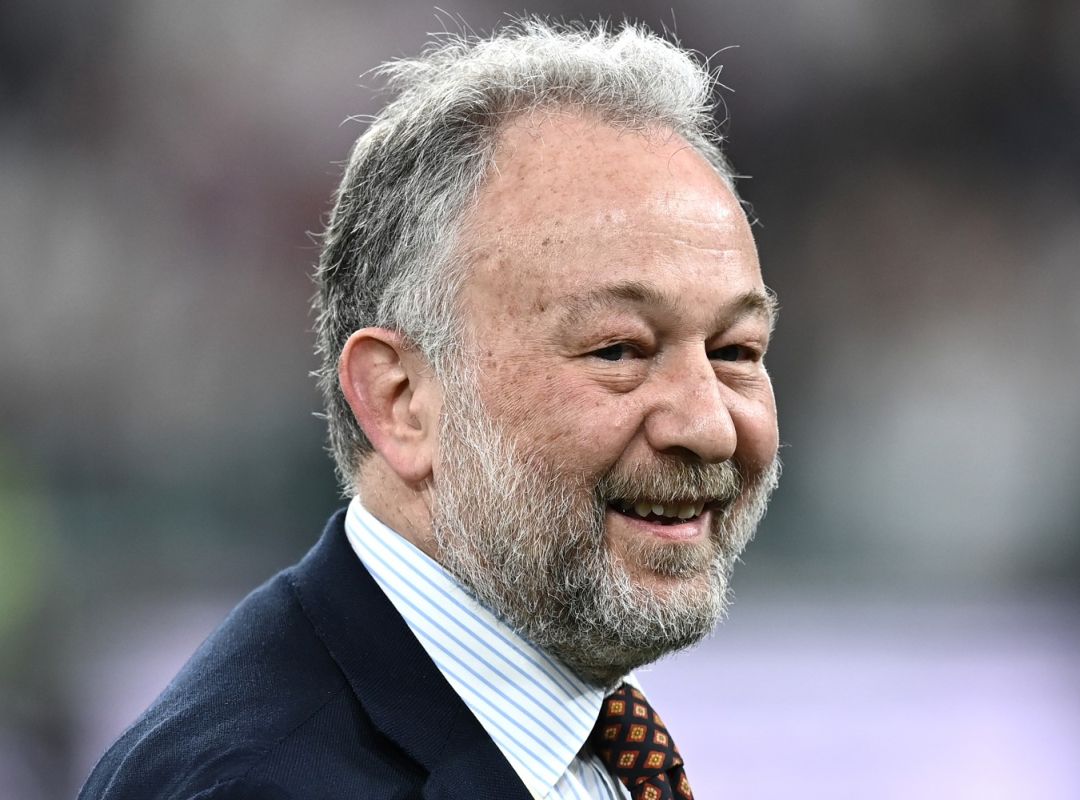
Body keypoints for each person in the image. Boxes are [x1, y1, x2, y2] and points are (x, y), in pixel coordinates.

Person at [79, 17, 780, 800]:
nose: (708, 425)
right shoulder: (257, 786)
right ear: (401, 402)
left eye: (735, 351)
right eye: (618, 351)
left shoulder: (584, 737)